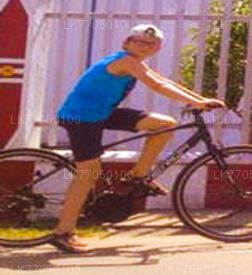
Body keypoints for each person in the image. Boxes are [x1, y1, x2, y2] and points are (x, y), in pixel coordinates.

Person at [50, 24, 225, 253]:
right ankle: (63, 232)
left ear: (157, 48)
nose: (144, 46)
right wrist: (198, 104)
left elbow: (166, 81)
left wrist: (201, 99)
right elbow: (157, 85)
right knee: (89, 173)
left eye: (151, 44)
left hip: (101, 113)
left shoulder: (136, 63)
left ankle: (137, 176)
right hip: (80, 118)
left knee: (165, 124)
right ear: (127, 43)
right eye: (139, 41)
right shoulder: (125, 61)